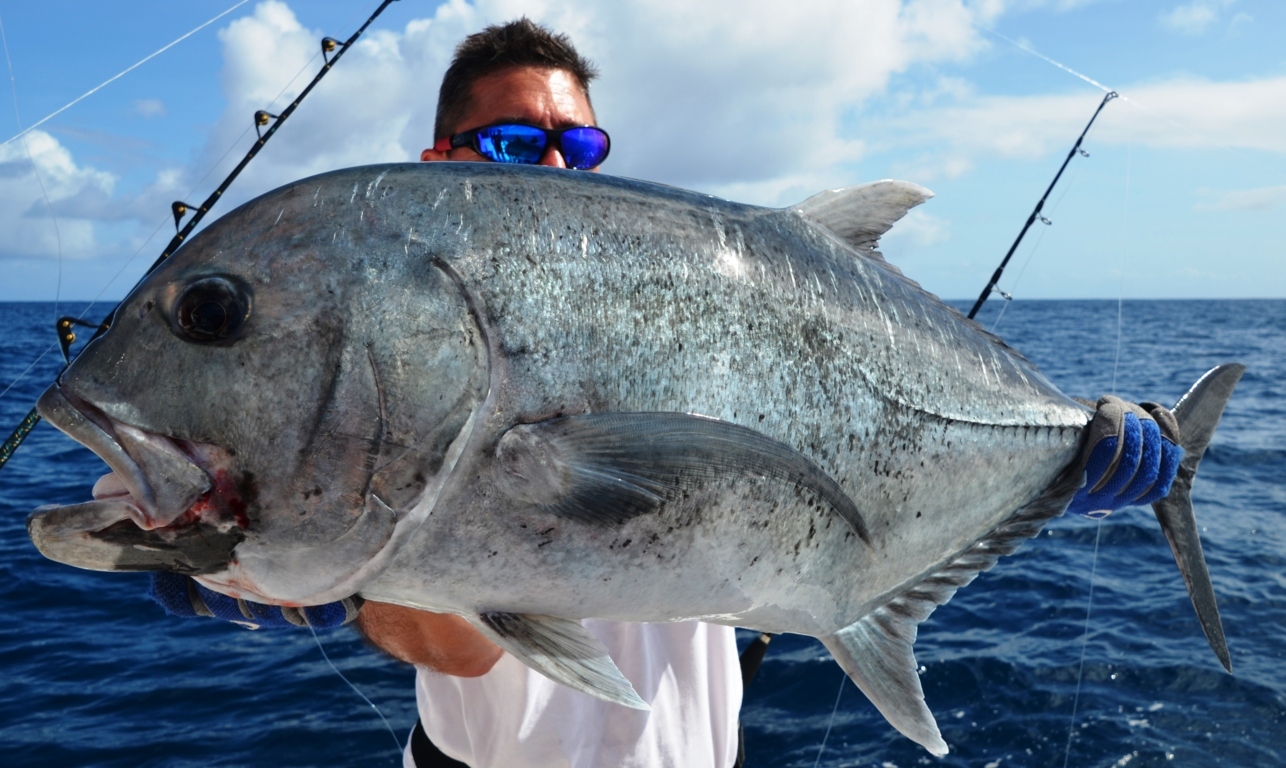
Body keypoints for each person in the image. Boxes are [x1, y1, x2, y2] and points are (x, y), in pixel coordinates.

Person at [357, 19, 744, 768]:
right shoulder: (396, 349)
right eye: (515, 144)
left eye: (583, 146)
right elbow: (456, 651)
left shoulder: (696, 318)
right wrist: (334, 570)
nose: (559, 165)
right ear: (439, 163)